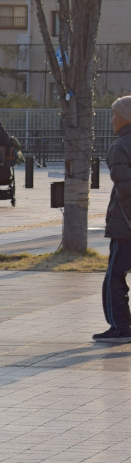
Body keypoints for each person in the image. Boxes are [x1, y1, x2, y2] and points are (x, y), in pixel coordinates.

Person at [96, 96, 131, 343]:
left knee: (114, 277)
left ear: (126, 118)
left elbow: (125, 188)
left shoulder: (120, 146)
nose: (112, 119)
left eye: (115, 114)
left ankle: (120, 326)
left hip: (125, 226)